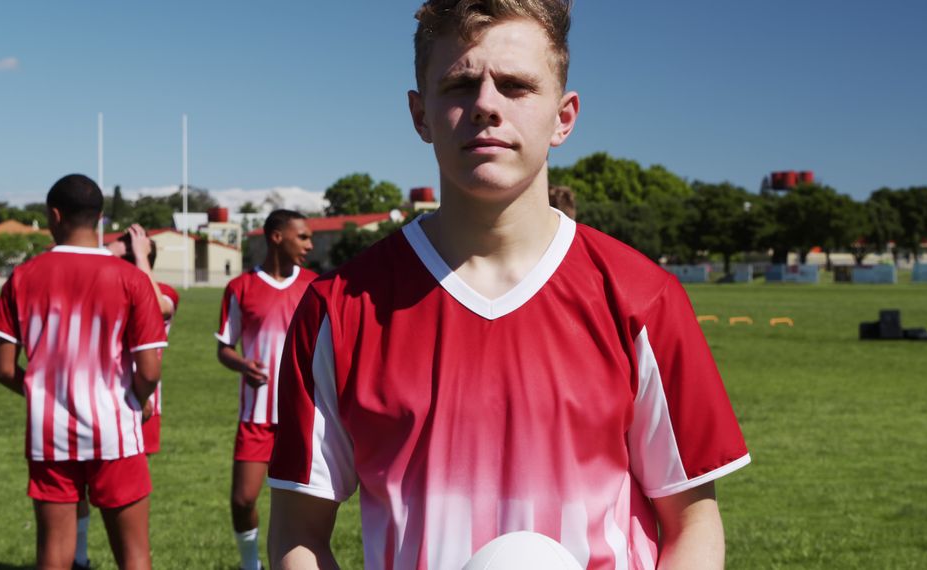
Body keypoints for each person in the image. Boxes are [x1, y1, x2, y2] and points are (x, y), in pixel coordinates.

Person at [266, 1, 750, 569]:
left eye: (516, 86)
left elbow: (692, 522)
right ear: (420, 114)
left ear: (564, 116)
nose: (486, 106)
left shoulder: (644, 299)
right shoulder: (337, 310)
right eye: (460, 85)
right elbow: (299, 533)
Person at [0, 174, 167, 570]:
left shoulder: (21, 277)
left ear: (54, 215)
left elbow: (3, 369)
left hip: (49, 433)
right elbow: (150, 369)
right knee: (135, 556)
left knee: (54, 555)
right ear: (101, 218)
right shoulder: (132, 279)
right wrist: (136, 400)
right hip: (116, 431)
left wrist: (45, 394)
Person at [67, 225, 180, 570]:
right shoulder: (101, 287)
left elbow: (156, 309)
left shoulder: (163, 291)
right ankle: (79, 557)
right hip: (91, 400)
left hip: (140, 405)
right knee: (77, 484)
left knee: (125, 496)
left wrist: (139, 256)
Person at [215, 210, 315, 570]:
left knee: (299, 512)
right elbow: (225, 347)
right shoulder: (240, 288)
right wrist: (242, 364)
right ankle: (250, 565)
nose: (309, 244)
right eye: (302, 236)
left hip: (302, 418)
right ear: (276, 237)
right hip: (255, 416)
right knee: (243, 500)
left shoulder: (315, 286)